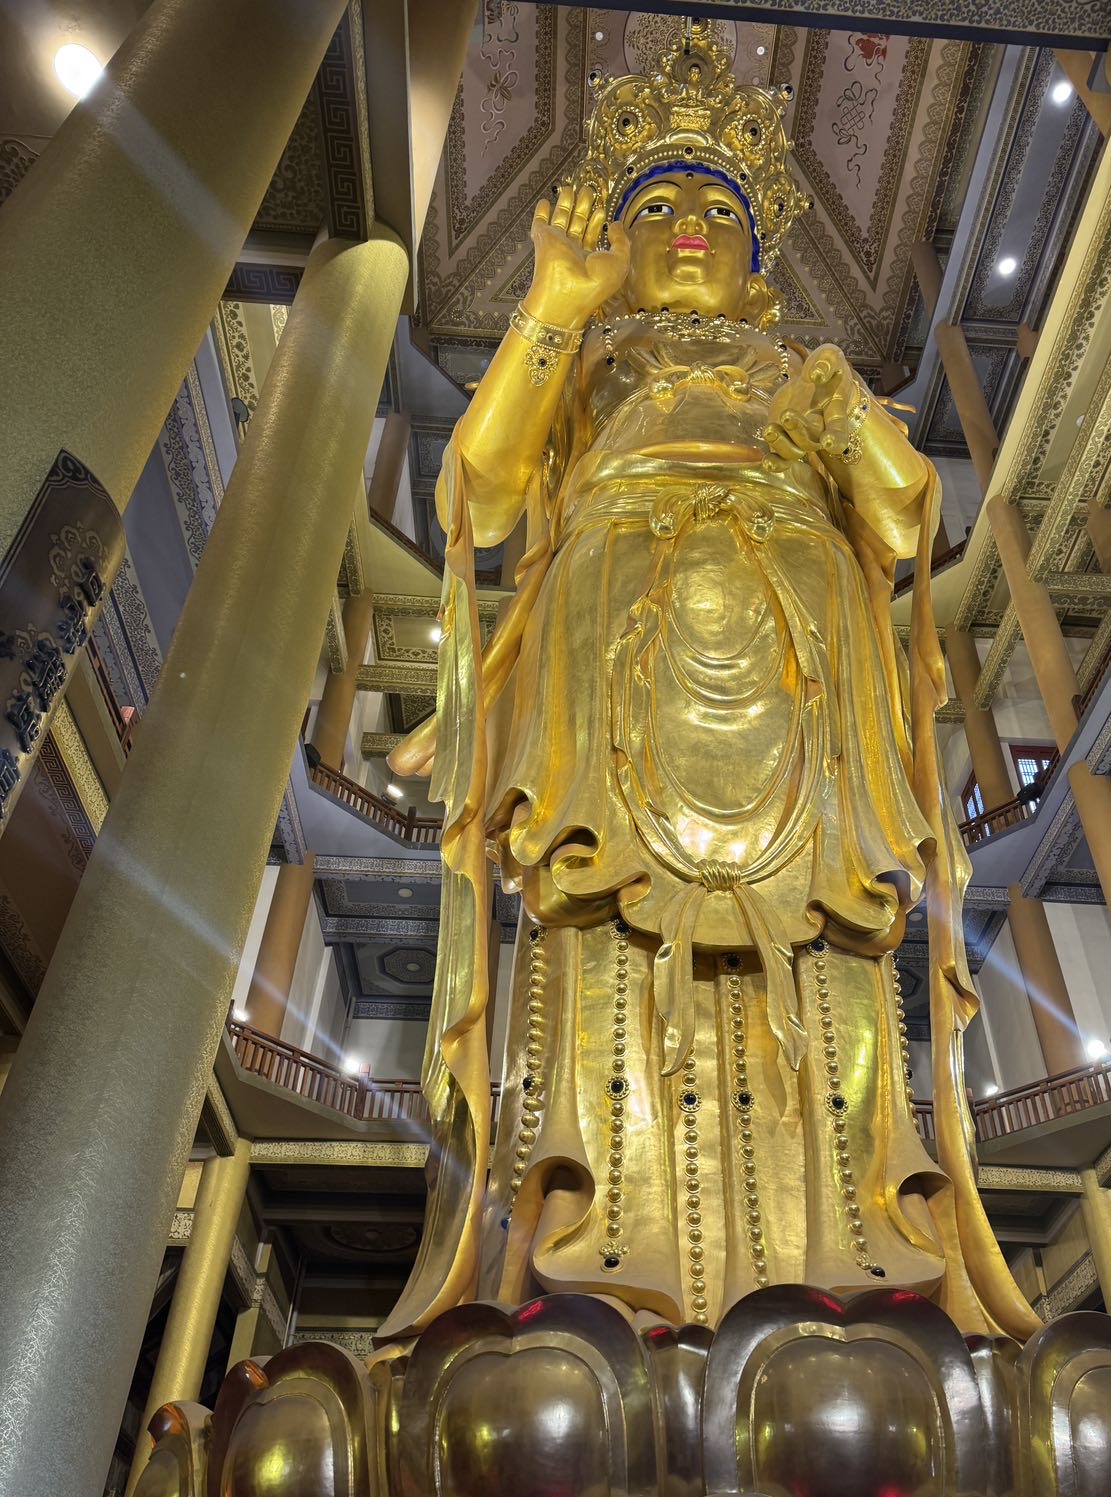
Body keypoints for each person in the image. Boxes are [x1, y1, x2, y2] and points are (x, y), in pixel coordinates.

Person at [378, 23, 1040, 1344]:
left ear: (761, 253)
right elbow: (480, 496)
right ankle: (595, 1280)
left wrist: (845, 413)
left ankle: (858, 1288)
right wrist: (553, 311)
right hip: (610, 674)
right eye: (659, 205)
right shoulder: (587, 356)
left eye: (720, 209)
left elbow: (908, 518)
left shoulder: (803, 373)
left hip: (808, 681)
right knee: (603, 923)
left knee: (828, 944)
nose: (689, 223)